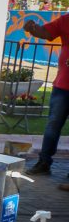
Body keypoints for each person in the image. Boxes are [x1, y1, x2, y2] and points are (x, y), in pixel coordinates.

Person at [23, 12, 69, 176]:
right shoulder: (66, 19)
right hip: (62, 86)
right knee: (52, 125)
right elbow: (46, 33)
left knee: (53, 125)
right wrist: (33, 29)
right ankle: (44, 163)